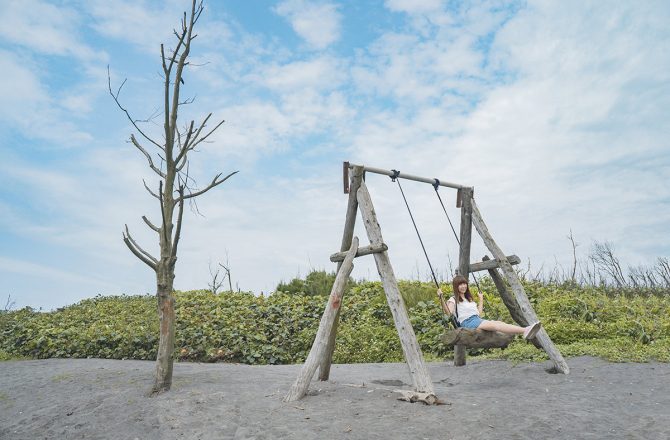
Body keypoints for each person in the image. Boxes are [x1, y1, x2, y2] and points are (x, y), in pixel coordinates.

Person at [437, 275, 541, 339]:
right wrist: (441, 299)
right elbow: (449, 313)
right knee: (496, 326)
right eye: (460, 284)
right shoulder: (453, 299)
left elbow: (479, 313)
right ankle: (525, 330)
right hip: (467, 323)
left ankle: (525, 331)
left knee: (499, 323)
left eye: (464, 284)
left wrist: (481, 299)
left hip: (476, 319)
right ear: (456, 286)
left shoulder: (469, 299)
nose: (463, 286)